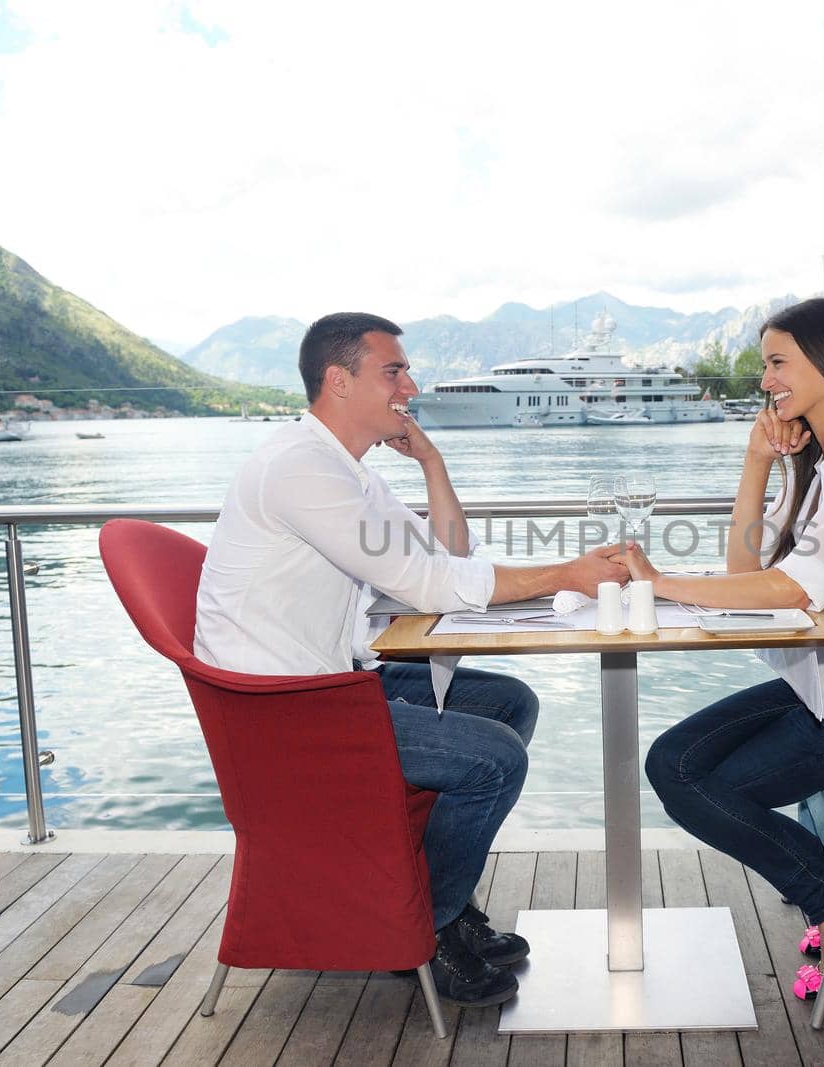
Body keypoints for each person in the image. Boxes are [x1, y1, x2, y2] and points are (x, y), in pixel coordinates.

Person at [195, 312, 627, 1008]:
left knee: (510, 703)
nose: (411, 384)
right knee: (496, 757)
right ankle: (427, 926)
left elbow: (446, 561)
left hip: (333, 681)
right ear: (339, 381)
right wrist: (564, 574)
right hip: (287, 712)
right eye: (393, 370)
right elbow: (428, 585)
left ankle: (435, 905)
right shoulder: (301, 470)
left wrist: (432, 462)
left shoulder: (347, 473)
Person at [612, 297, 824, 1003]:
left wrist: (662, 582)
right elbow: (745, 578)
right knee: (672, 763)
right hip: (819, 688)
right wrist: (757, 461)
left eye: (777, 362)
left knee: (690, 782)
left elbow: (796, 589)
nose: (766, 381)